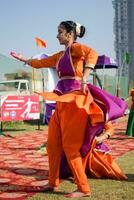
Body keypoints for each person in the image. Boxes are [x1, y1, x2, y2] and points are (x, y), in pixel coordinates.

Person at [10, 20, 127, 198]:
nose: (57, 35)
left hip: (76, 102)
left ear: (70, 34)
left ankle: (83, 188)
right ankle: (52, 182)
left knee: (71, 147)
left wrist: (85, 77)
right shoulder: (59, 55)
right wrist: (23, 59)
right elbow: (40, 63)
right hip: (62, 102)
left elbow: (92, 54)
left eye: (60, 32)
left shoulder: (76, 49)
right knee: (52, 145)